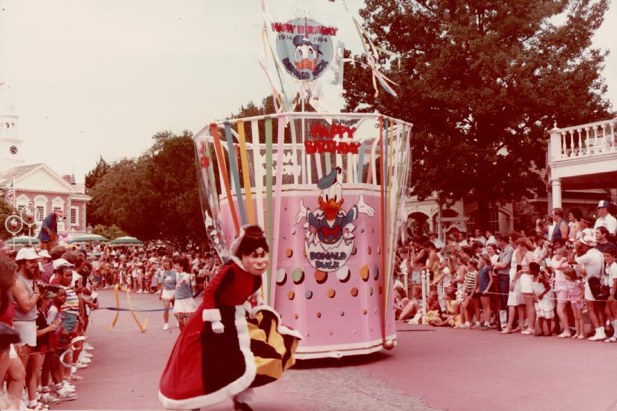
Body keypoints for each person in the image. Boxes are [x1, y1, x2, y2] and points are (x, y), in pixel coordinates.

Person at [159, 225, 301, 411]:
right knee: (203, 362)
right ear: (242, 255)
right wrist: (215, 319)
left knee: (249, 357)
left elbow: (246, 295)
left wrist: (252, 307)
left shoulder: (255, 277)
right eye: (254, 255)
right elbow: (209, 293)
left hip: (237, 318)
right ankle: (193, 401)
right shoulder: (230, 270)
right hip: (212, 321)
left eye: (262, 255)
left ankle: (240, 399)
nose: (259, 260)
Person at [173, 257, 197, 332]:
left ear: (182, 267)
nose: (175, 267)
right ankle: (182, 336)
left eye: (177, 265)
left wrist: (180, 283)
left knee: (187, 322)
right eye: (175, 265)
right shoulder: (177, 274)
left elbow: (185, 280)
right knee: (180, 321)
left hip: (187, 300)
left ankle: (187, 335)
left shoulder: (186, 275)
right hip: (178, 300)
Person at [565, 267, 585, 339]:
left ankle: (582, 333)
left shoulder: (578, 282)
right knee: (575, 316)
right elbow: (569, 291)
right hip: (572, 299)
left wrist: (580, 297)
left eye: (566, 275)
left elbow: (583, 290)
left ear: (571, 275)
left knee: (580, 316)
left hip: (578, 299)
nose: (565, 277)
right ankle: (577, 332)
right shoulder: (568, 282)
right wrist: (568, 297)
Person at [603, 244, 617, 342]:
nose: (606, 258)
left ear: (613, 257)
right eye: (604, 256)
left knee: (614, 312)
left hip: (614, 290)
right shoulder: (608, 265)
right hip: (609, 289)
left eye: (608, 256)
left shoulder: (614, 267)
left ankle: (615, 335)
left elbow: (616, 281)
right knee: (607, 312)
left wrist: (612, 295)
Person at [160, 257, 177, 331]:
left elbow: (177, 283)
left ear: (170, 263)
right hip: (166, 291)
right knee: (166, 308)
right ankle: (166, 323)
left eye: (167, 262)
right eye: (165, 262)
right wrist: (161, 294)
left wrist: (176, 293)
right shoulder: (162, 272)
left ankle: (178, 321)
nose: (166, 263)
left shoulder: (175, 272)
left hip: (174, 291)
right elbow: (162, 284)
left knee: (176, 308)